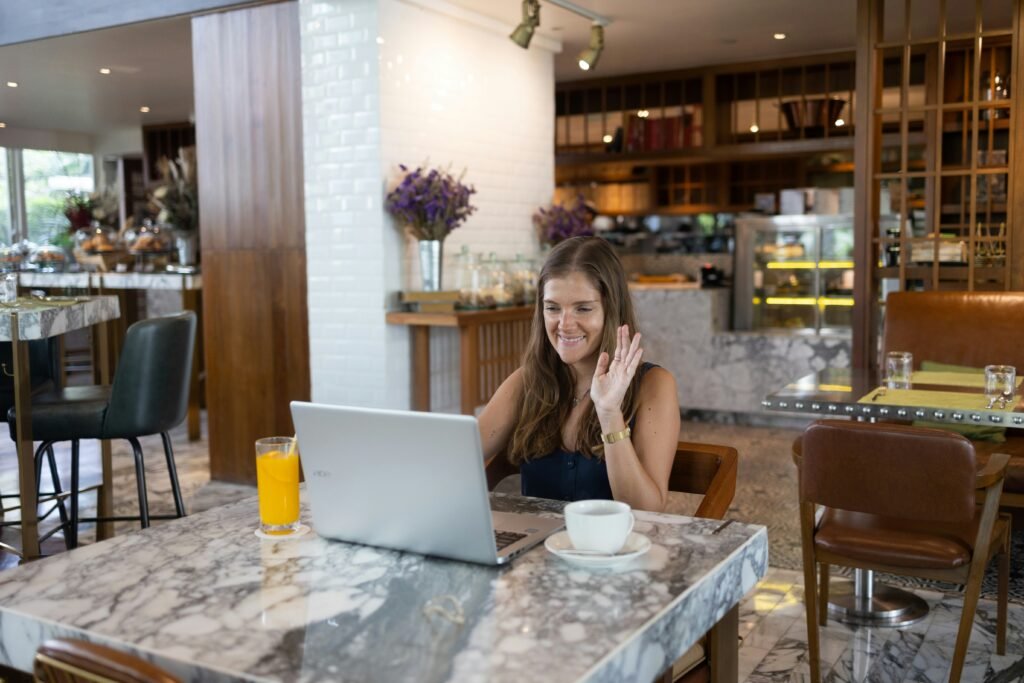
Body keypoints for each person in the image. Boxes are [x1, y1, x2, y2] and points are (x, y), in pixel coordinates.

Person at [478, 236, 680, 512]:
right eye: (552, 308)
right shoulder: (528, 380)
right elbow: (460, 456)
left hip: (617, 540)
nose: (564, 324)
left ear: (611, 309)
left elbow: (647, 511)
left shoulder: (654, 385)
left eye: (583, 308)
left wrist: (609, 413)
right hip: (538, 541)